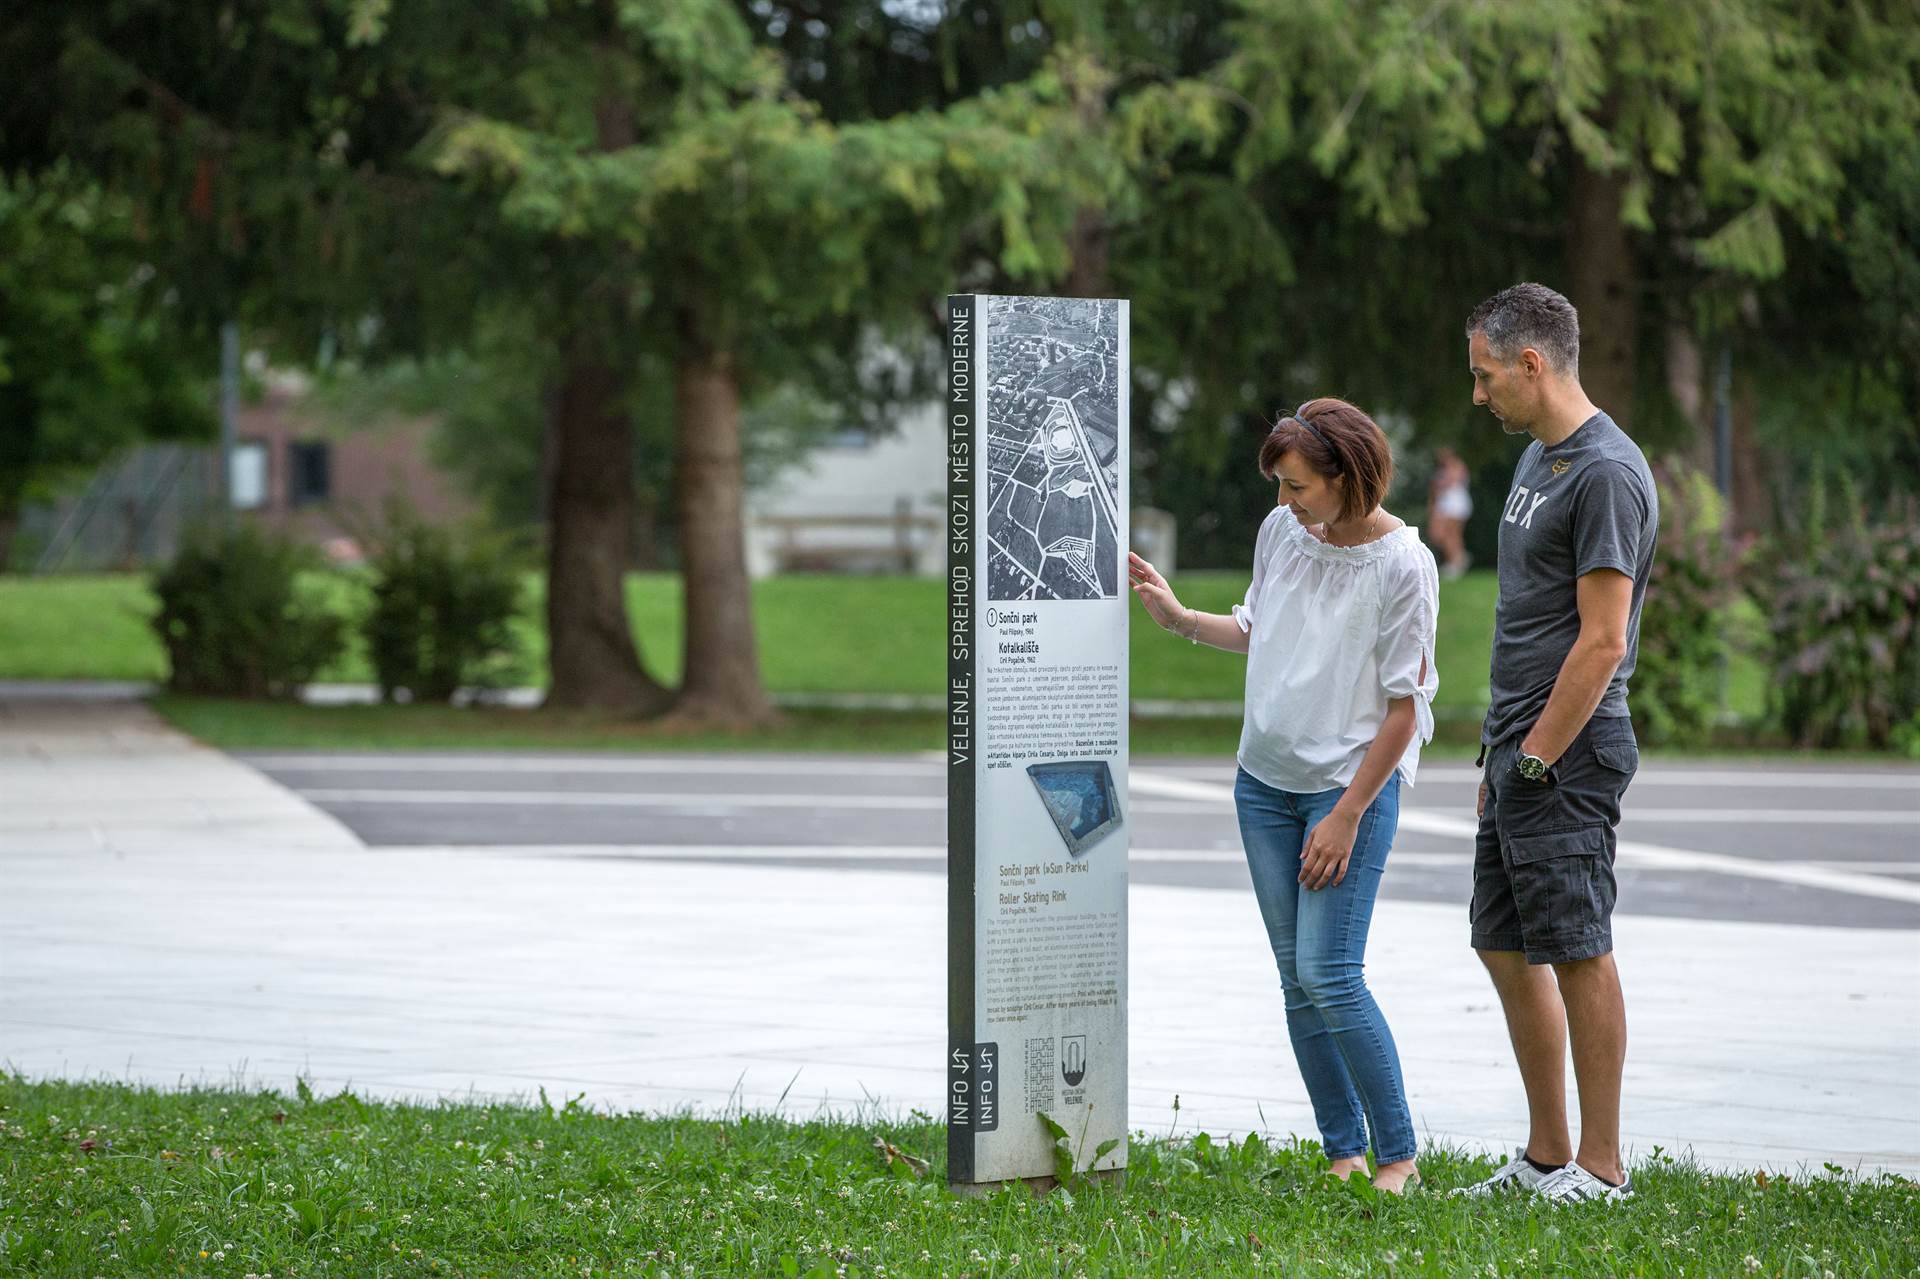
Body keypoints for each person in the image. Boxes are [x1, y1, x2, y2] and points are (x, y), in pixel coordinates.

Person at [1128, 397, 1440, 1194]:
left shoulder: (1404, 563)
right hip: (1262, 784)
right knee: (1295, 976)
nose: (1284, 502)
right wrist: (1177, 618)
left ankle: (1397, 1155)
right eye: (1280, 486)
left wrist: (1346, 814)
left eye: (1297, 486)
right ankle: (1342, 1152)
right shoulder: (1282, 534)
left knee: (1330, 972)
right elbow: (1258, 626)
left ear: (1348, 477)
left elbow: (1406, 707)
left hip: (1345, 793)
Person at [1456, 283, 1659, 1204]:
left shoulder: (1607, 472)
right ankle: (1545, 1154)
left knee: (1578, 945)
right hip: (1517, 749)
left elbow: (1605, 638)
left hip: (1565, 752)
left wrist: (1537, 753)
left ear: (1531, 364)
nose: (1478, 393)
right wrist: (1503, 756)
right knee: (1503, 944)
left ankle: (1603, 1167)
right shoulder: (1542, 460)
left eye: (1485, 374)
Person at [1428, 447, 1473, 579]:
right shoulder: (1441, 469)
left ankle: (1456, 562)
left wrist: (1439, 483)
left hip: (1455, 504)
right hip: (1445, 504)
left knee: (1452, 535)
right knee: (1441, 535)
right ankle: (1458, 558)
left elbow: (1451, 482)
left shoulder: (1457, 465)